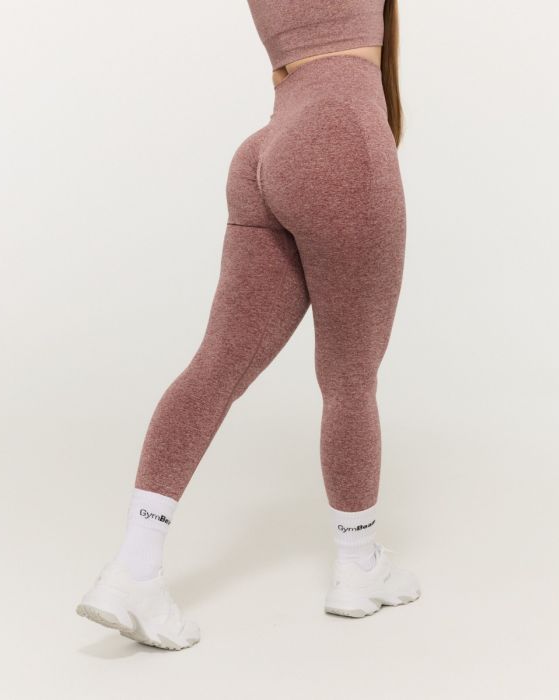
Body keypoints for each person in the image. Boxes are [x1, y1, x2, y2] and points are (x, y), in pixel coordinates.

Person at [76, 0, 420, 651]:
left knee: (215, 367)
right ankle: (358, 565)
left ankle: (133, 569)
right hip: (342, 139)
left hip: (269, 148)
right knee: (350, 378)